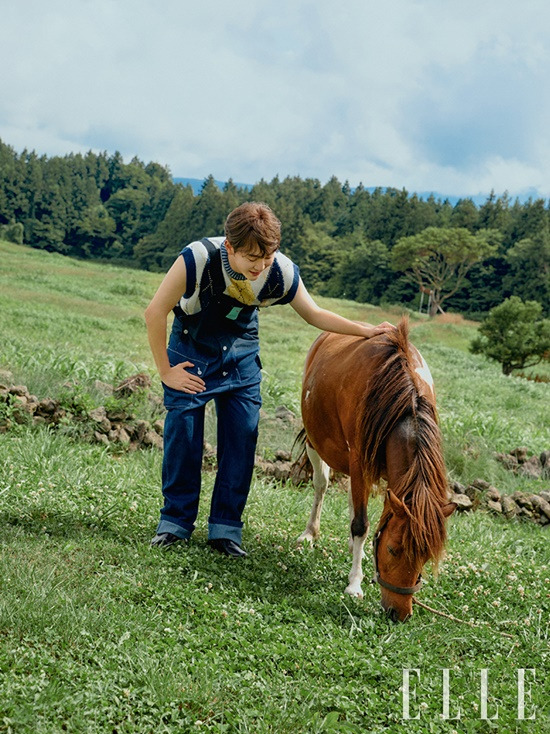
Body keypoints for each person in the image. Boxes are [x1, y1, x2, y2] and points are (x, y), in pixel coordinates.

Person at [145, 202, 394, 557]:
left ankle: (225, 531)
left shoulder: (282, 272)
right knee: (183, 434)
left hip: (242, 354)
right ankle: (175, 525)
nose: (260, 266)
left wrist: (366, 331)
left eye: (268, 256)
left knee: (241, 440)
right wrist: (167, 372)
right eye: (251, 258)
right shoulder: (197, 259)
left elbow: (314, 313)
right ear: (229, 246)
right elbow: (154, 312)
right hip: (192, 349)